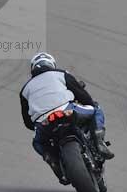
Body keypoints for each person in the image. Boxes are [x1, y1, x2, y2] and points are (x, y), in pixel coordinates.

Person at [19, 53, 114, 181]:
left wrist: (40, 124)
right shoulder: (61, 74)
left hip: (43, 122)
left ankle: (53, 161)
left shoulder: (25, 90)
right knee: (96, 109)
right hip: (67, 111)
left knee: (38, 142)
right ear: (52, 64)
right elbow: (82, 95)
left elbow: (27, 122)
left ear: (33, 68)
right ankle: (99, 142)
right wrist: (89, 103)